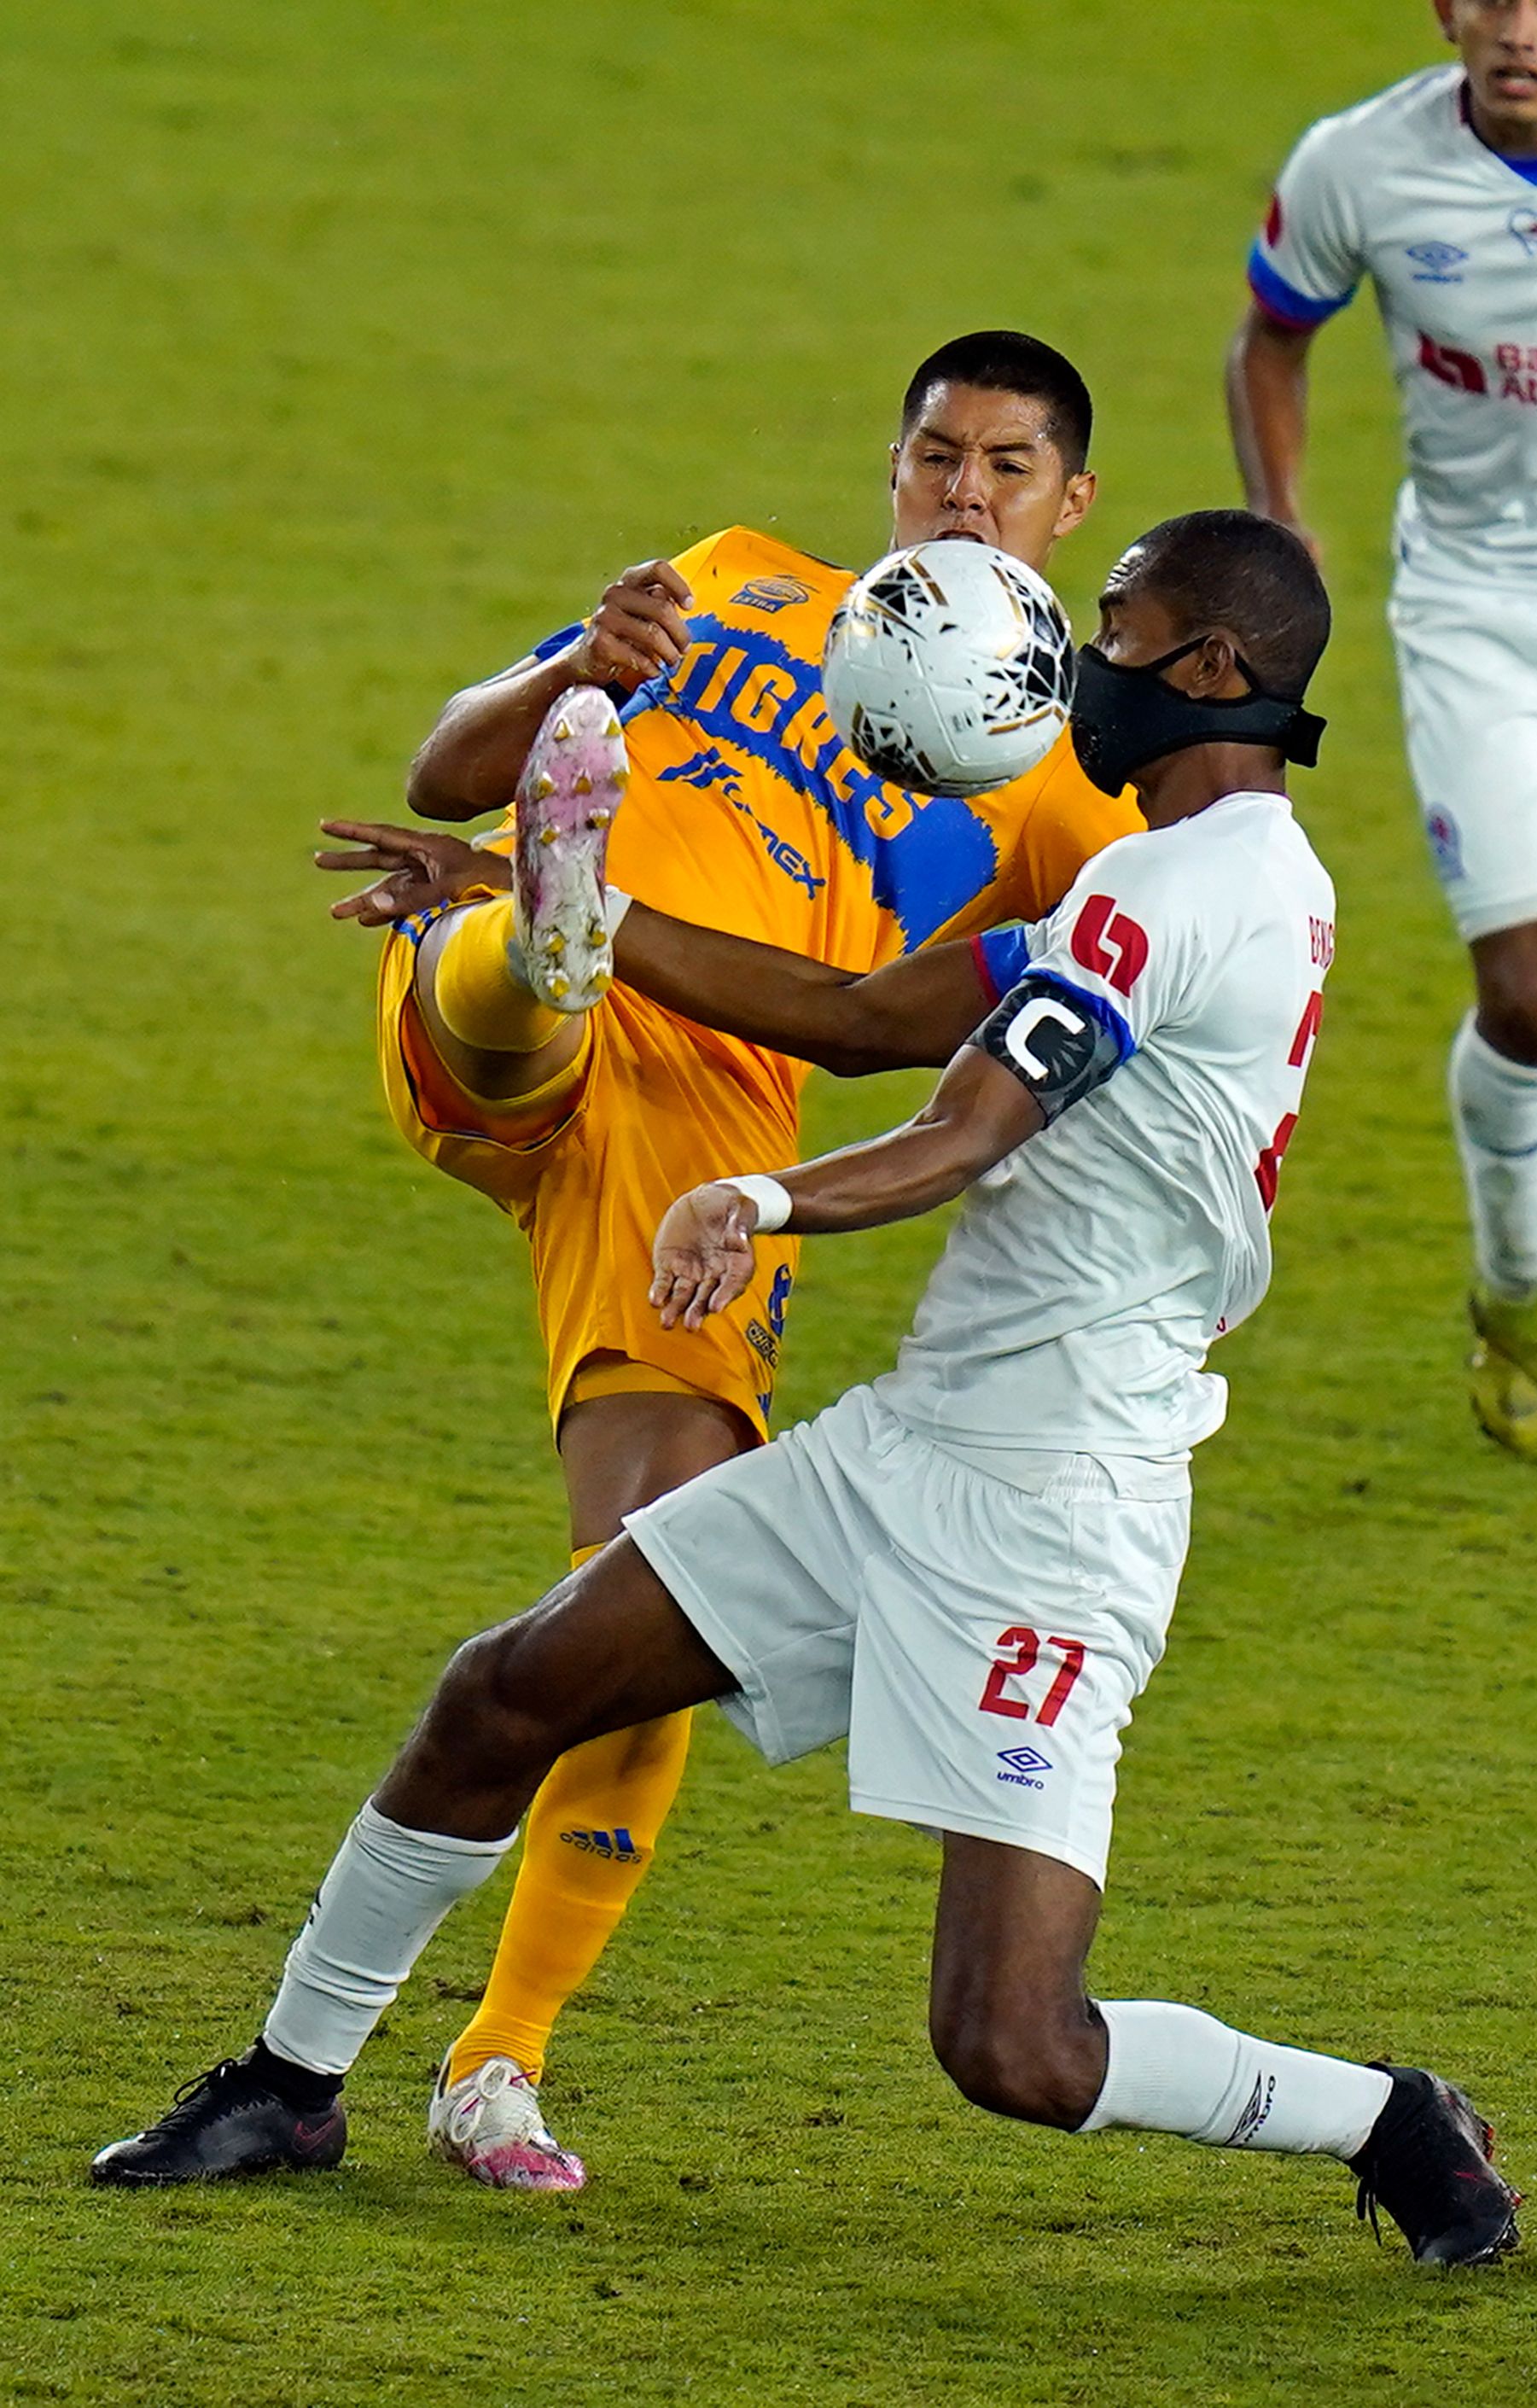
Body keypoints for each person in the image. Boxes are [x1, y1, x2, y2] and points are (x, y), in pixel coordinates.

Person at [92, 510, 1520, 2268]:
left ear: (1210, 666)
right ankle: (291, 2082)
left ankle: (1386, 2113)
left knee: (1013, 2042)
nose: (1087, 665)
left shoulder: (1169, 895)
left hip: (1052, 1514)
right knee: (504, 1691)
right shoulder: (1210, 880)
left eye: (1115, 627)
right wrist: (566, 906)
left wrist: (761, 1199)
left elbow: (963, 1127)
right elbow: (855, 1016)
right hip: (909, 1445)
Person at [310, 331, 1142, 2188]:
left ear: (1069, 503)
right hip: (512, 976)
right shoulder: (738, 578)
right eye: (934, 455)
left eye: (1005, 467)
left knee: (647, 1582)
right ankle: (540, 938)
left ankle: (497, 2059)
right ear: (891, 465)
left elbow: (1104, 966)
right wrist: (575, 678)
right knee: (512, 972)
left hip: (707, 1124)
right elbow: (441, 767)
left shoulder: (1055, 778)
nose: (961, 492)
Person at [1227, 0, 1537, 1466]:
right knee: (1536, 992)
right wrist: (1281, 518)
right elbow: (1270, 338)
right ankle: (1520, 1283)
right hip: (1479, 608)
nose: (1520, 29)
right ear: (1447, 12)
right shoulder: (1358, 165)